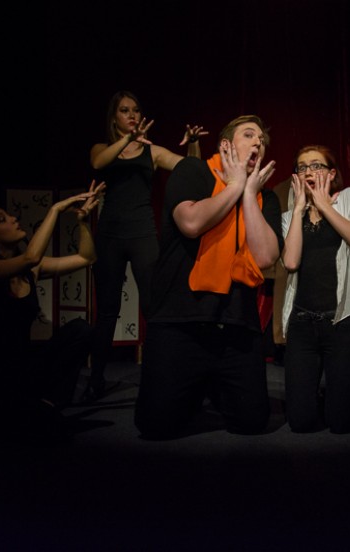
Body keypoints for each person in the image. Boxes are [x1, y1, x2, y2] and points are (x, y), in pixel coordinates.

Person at [134, 115, 281, 440]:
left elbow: (266, 257)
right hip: (180, 320)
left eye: (262, 140)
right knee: (155, 426)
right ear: (225, 145)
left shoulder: (266, 198)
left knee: (252, 422)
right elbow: (191, 223)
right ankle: (199, 385)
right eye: (249, 135)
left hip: (235, 325)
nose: (258, 142)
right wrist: (234, 187)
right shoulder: (193, 171)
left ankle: (211, 383)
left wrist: (247, 195)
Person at [85, 90, 208, 402]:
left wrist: (192, 143)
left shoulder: (152, 152)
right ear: (114, 117)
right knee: (107, 311)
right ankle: (96, 380)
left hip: (142, 234)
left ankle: (157, 377)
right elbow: (99, 162)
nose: (132, 115)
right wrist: (128, 139)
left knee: (153, 308)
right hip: (110, 236)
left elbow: (192, 170)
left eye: (136, 110)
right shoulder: (102, 148)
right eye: (125, 110)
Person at [0, 181, 106, 442]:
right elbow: (31, 257)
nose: (13, 218)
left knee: (80, 330)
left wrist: (82, 222)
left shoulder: (31, 271)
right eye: (2, 219)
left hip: (25, 368)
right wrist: (55, 209)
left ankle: (48, 404)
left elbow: (86, 258)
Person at [280, 145, 350, 433]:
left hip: (340, 323)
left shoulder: (349, 198)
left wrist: (324, 205)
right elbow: (291, 262)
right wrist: (299, 209)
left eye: (316, 165)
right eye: (302, 167)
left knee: (340, 423)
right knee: (300, 423)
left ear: (332, 174)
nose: (308, 171)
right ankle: (323, 398)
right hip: (302, 324)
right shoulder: (290, 216)